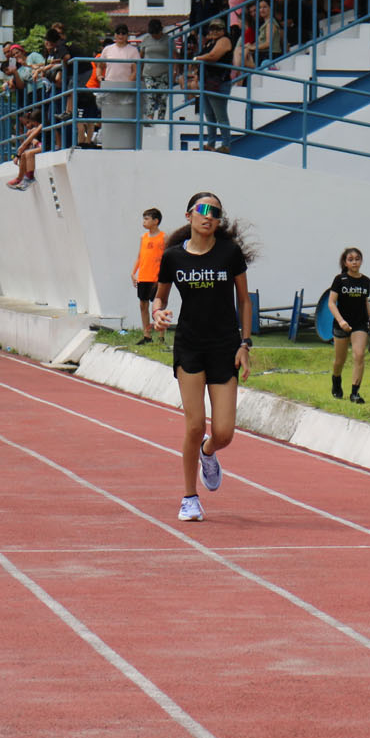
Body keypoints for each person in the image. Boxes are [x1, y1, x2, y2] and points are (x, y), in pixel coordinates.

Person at [151, 192, 255, 523]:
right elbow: (160, 298)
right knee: (195, 425)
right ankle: (189, 498)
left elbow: (244, 301)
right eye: (203, 210)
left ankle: (208, 453)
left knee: (223, 433)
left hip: (224, 346)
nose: (209, 216)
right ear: (189, 215)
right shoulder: (173, 257)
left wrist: (245, 344)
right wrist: (157, 313)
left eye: (216, 212)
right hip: (190, 346)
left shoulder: (229, 253)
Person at [327, 247, 370, 403]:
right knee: (339, 361)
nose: (354, 262)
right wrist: (341, 321)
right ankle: (336, 381)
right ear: (345, 262)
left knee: (359, 355)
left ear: (361, 261)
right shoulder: (339, 280)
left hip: (360, 323)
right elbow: (331, 303)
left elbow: (365, 301)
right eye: (351, 259)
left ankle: (355, 393)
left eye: (357, 259)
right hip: (342, 324)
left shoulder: (366, 281)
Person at [192, 19, 234, 152]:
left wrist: (198, 59)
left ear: (224, 30)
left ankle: (226, 144)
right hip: (207, 82)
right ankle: (211, 144)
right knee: (210, 115)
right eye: (212, 29)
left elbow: (213, 56)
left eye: (218, 29)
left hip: (218, 82)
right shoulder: (211, 42)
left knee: (220, 115)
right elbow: (207, 55)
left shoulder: (224, 40)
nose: (214, 31)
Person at [98, 24, 141, 150]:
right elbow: (100, 65)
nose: (121, 35)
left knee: (125, 117)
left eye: (123, 33)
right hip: (109, 87)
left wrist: (128, 83)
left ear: (127, 35)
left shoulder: (133, 51)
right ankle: (107, 142)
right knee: (108, 117)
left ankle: (125, 143)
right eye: (118, 33)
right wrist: (100, 77)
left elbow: (136, 69)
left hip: (125, 88)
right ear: (115, 35)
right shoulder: (107, 49)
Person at [131, 207, 166, 345]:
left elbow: (166, 258)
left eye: (147, 219)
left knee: (158, 307)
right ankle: (147, 336)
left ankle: (161, 337)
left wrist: (163, 275)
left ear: (155, 221)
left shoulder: (163, 237)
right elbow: (140, 256)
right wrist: (134, 272)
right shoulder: (143, 237)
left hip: (157, 278)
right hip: (144, 276)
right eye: (143, 219)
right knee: (143, 305)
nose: (144, 222)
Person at [140, 20, 172, 121]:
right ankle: (149, 118)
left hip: (163, 73)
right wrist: (139, 73)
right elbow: (141, 57)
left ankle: (161, 119)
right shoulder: (146, 40)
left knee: (163, 98)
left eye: (156, 33)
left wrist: (174, 72)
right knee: (150, 95)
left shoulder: (168, 40)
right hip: (148, 73)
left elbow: (175, 56)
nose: (154, 35)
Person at [5, 111, 42, 191]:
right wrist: (18, 156)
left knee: (28, 153)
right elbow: (26, 143)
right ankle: (20, 178)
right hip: (38, 145)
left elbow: (26, 143)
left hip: (44, 145)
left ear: (34, 121)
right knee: (23, 155)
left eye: (28, 123)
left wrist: (18, 153)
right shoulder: (33, 129)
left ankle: (29, 177)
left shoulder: (39, 127)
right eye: (25, 124)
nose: (27, 126)